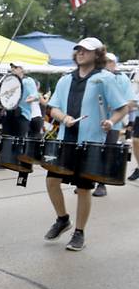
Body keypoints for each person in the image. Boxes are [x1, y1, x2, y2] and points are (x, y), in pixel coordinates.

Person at [44, 38, 129, 251]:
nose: (81, 53)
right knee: (51, 181)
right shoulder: (65, 80)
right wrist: (64, 118)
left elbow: (122, 108)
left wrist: (111, 121)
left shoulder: (105, 79)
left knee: (83, 189)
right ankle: (63, 219)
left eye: (86, 50)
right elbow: (53, 108)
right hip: (65, 141)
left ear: (97, 54)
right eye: (78, 49)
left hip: (90, 142)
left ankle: (79, 233)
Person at [93, 53, 137, 196]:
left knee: (107, 152)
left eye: (110, 62)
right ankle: (88, 179)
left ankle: (102, 184)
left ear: (114, 63)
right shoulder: (96, 77)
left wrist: (117, 106)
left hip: (114, 122)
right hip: (94, 121)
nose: (107, 64)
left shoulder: (122, 78)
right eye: (104, 61)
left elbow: (130, 102)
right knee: (92, 151)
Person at [0, 63, 39, 169]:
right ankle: (2, 162)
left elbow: (35, 95)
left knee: (20, 138)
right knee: (5, 137)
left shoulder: (28, 81)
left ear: (22, 69)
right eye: (12, 67)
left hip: (22, 113)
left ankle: (19, 162)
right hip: (9, 111)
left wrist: (31, 99)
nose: (13, 69)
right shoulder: (9, 80)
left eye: (15, 67)